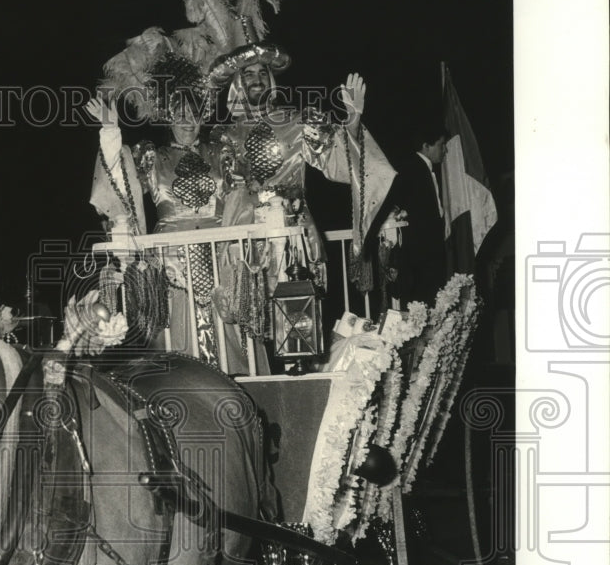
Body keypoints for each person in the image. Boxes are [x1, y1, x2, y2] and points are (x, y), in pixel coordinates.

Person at [87, 89, 263, 373]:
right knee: (176, 346)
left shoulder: (222, 154)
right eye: (180, 114)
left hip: (220, 261)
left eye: (194, 114)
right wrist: (110, 130)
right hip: (171, 265)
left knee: (232, 345)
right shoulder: (152, 158)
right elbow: (122, 188)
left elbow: (244, 201)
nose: (187, 121)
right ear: (168, 119)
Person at [207, 49, 397, 294]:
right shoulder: (225, 136)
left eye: (263, 73)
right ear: (239, 83)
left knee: (300, 315)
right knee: (253, 316)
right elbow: (219, 197)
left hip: (295, 234)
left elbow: (339, 159)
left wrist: (352, 119)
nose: (257, 80)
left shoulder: (298, 122)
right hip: (247, 240)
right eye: (249, 74)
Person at [376, 122, 450, 308]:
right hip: (420, 254)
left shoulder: (424, 169)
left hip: (429, 252)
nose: (445, 150)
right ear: (426, 146)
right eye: (441, 145)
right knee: (422, 304)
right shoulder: (412, 170)